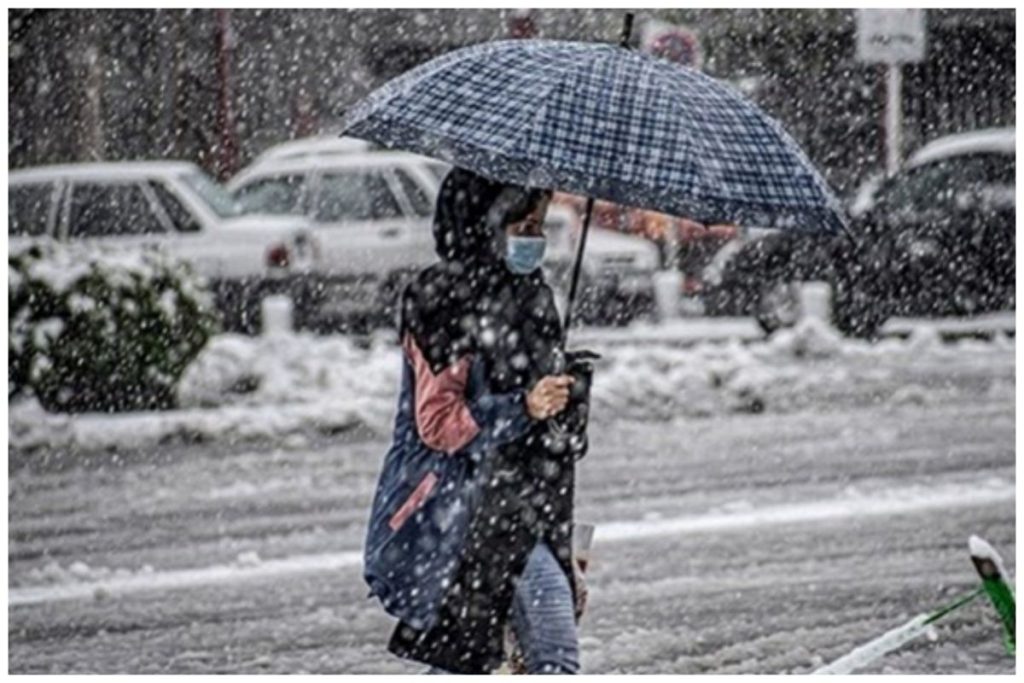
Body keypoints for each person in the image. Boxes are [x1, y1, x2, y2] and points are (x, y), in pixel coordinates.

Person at [363, 167, 592, 674]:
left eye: (540, 226)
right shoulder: (439, 300)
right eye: (523, 226)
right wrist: (521, 407)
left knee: (546, 653)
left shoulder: (533, 296)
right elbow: (439, 424)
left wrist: (568, 396)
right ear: (482, 223)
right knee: (492, 656)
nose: (534, 240)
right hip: (461, 510)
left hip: (530, 501)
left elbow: (551, 429)